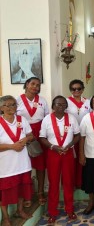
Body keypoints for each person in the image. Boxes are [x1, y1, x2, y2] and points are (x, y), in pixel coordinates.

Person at [40, 96, 80, 224]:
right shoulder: (47, 119)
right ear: (53, 106)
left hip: (67, 153)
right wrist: (52, 146)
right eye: (58, 104)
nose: (60, 106)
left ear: (66, 106)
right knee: (53, 183)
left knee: (68, 182)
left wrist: (69, 145)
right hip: (53, 153)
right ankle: (52, 211)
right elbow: (42, 138)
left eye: (63, 104)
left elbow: (78, 135)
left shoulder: (72, 118)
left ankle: (69, 209)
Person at [0, 95, 34, 226]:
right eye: (7, 105)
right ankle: (6, 217)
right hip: (6, 166)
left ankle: (19, 210)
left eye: (13, 104)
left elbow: (31, 135)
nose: (11, 107)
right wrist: (11, 146)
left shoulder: (22, 120)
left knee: (22, 189)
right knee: (4, 193)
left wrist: (25, 139)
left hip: (23, 163)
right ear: (1, 108)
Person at [16, 77, 49, 207]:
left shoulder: (42, 101)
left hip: (39, 133)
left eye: (38, 84)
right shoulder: (17, 100)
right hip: (23, 134)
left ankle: (40, 192)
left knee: (40, 165)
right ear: (27, 84)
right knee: (25, 166)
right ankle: (27, 194)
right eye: (32, 84)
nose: (35, 86)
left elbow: (47, 118)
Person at [66, 79, 90, 188]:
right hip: (71, 134)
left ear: (83, 89)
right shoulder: (66, 101)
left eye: (79, 88)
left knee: (83, 156)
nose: (76, 90)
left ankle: (81, 182)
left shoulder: (88, 101)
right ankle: (72, 182)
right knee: (72, 159)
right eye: (73, 89)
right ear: (70, 90)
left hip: (85, 134)